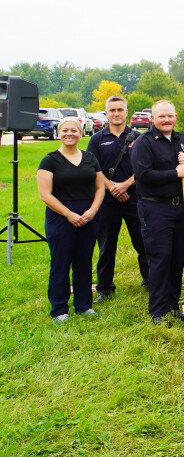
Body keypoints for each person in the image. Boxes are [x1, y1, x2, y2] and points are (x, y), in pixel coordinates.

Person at [130, 100, 184, 324]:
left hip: (179, 206)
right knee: (160, 258)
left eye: (170, 116)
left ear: (175, 117)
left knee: (177, 257)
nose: (166, 120)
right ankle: (158, 311)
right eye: (161, 116)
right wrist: (175, 173)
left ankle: (172, 304)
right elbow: (143, 175)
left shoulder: (182, 140)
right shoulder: (144, 142)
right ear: (153, 118)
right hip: (154, 208)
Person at [37, 117, 105, 322]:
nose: (69, 133)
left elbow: (100, 187)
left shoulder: (90, 158)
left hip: (88, 216)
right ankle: (59, 309)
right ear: (58, 133)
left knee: (84, 261)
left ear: (81, 133)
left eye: (74, 130)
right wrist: (68, 214)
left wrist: (92, 211)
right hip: (60, 217)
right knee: (61, 262)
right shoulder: (49, 160)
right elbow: (45, 194)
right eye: (65, 130)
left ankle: (84, 306)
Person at [86, 95, 147, 301]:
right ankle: (104, 287)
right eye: (112, 110)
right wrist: (113, 188)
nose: (116, 113)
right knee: (106, 245)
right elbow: (94, 169)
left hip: (135, 198)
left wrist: (125, 185)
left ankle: (149, 281)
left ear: (126, 111)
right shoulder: (97, 139)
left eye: (120, 109)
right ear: (106, 113)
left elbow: (144, 167)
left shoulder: (139, 137)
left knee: (142, 242)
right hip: (107, 201)